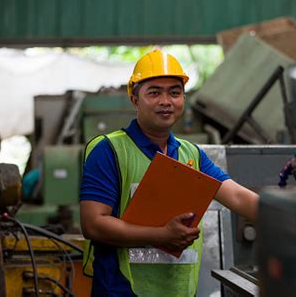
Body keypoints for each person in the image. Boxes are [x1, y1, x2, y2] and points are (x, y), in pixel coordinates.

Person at [80, 49, 259, 296]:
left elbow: (238, 198)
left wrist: (294, 218)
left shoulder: (192, 155)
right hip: (122, 290)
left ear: (183, 99)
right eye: (154, 92)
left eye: (175, 92)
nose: (166, 101)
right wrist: (162, 235)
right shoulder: (109, 150)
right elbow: (93, 224)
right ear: (134, 98)